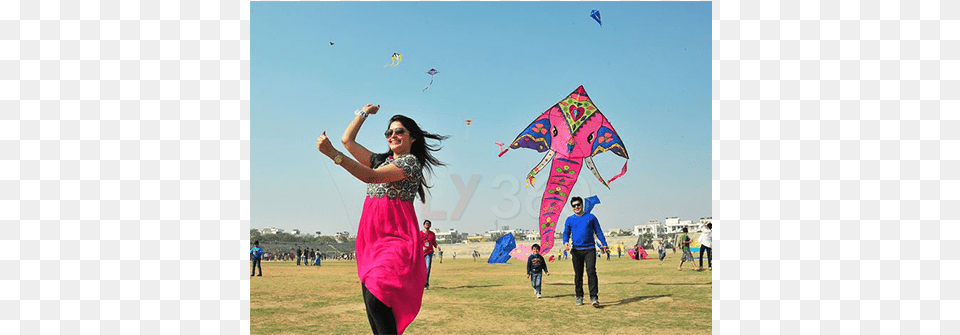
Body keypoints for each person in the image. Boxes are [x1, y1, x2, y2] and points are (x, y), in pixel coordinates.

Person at [317, 105, 447, 335]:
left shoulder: (409, 163)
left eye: (399, 131)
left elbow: (369, 176)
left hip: (395, 236)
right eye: (389, 133)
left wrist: (333, 155)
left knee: (379, 297)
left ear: (412, 137)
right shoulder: (381, 160)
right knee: (370, 300)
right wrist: (363, 114)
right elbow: (348, 140)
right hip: (371, 237)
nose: (392, 136)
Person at [562, 196, 609, 307]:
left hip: (590, 249)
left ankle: (594, 297)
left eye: (578, 204)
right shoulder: (569, 219)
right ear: (572, 207)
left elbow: (599, 231)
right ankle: (579, 296)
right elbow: (566, 232)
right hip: (576, 251)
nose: (576, 207)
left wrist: (604, 243)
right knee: (578, 275)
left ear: (582, 205)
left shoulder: (591, 217)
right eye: (574, 205)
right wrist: (565, 242)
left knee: (591, 272)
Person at [421, 220, 441, 289]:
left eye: (429, 224)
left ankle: (426, 284)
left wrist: (437, 246)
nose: (427, 225)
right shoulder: (420, 234)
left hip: (429, 253)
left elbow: (434, 243)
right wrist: (422, 247)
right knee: (420, 269)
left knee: (427, 268)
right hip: (421, 254)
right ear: (423, 225)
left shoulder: (432, 234)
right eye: (426, 224)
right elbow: (417, 243)